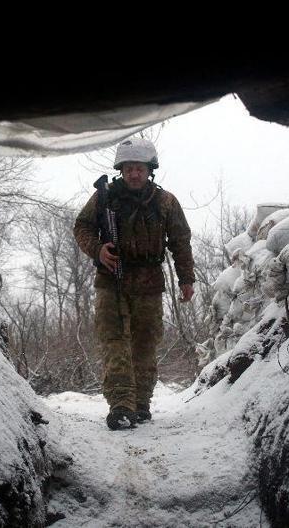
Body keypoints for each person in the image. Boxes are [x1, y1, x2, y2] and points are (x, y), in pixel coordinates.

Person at [73, 138, 195, 430]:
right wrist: (99, 249)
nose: (134, 174)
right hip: (110, 281)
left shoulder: (166, 202)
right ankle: (121, 405)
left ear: (149, 169)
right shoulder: (105, 198)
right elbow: (82, 226)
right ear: (121, 170)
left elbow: (181, 241)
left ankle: (140, 404)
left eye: (139, 168)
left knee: (145, 344)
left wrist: (186, 279)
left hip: (149, 283)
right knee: (115, 343)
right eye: (128, 168)